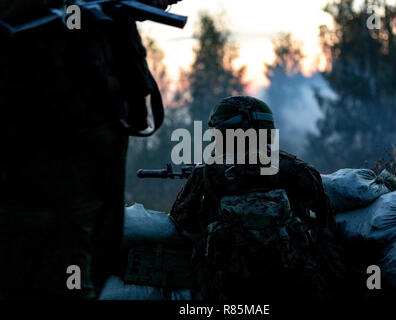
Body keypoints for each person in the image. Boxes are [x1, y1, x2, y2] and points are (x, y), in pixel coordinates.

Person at [0, 0, 180, 299]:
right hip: (50, 209)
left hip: (79, 203)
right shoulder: (50, 29)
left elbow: (132, 114)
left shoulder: (97, 24)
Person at [170, 96, 346, 300]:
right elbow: (325, 226)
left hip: (228, 289)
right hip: (295, 284)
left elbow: (182, 222)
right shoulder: (298, 170)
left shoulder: (207, 174)